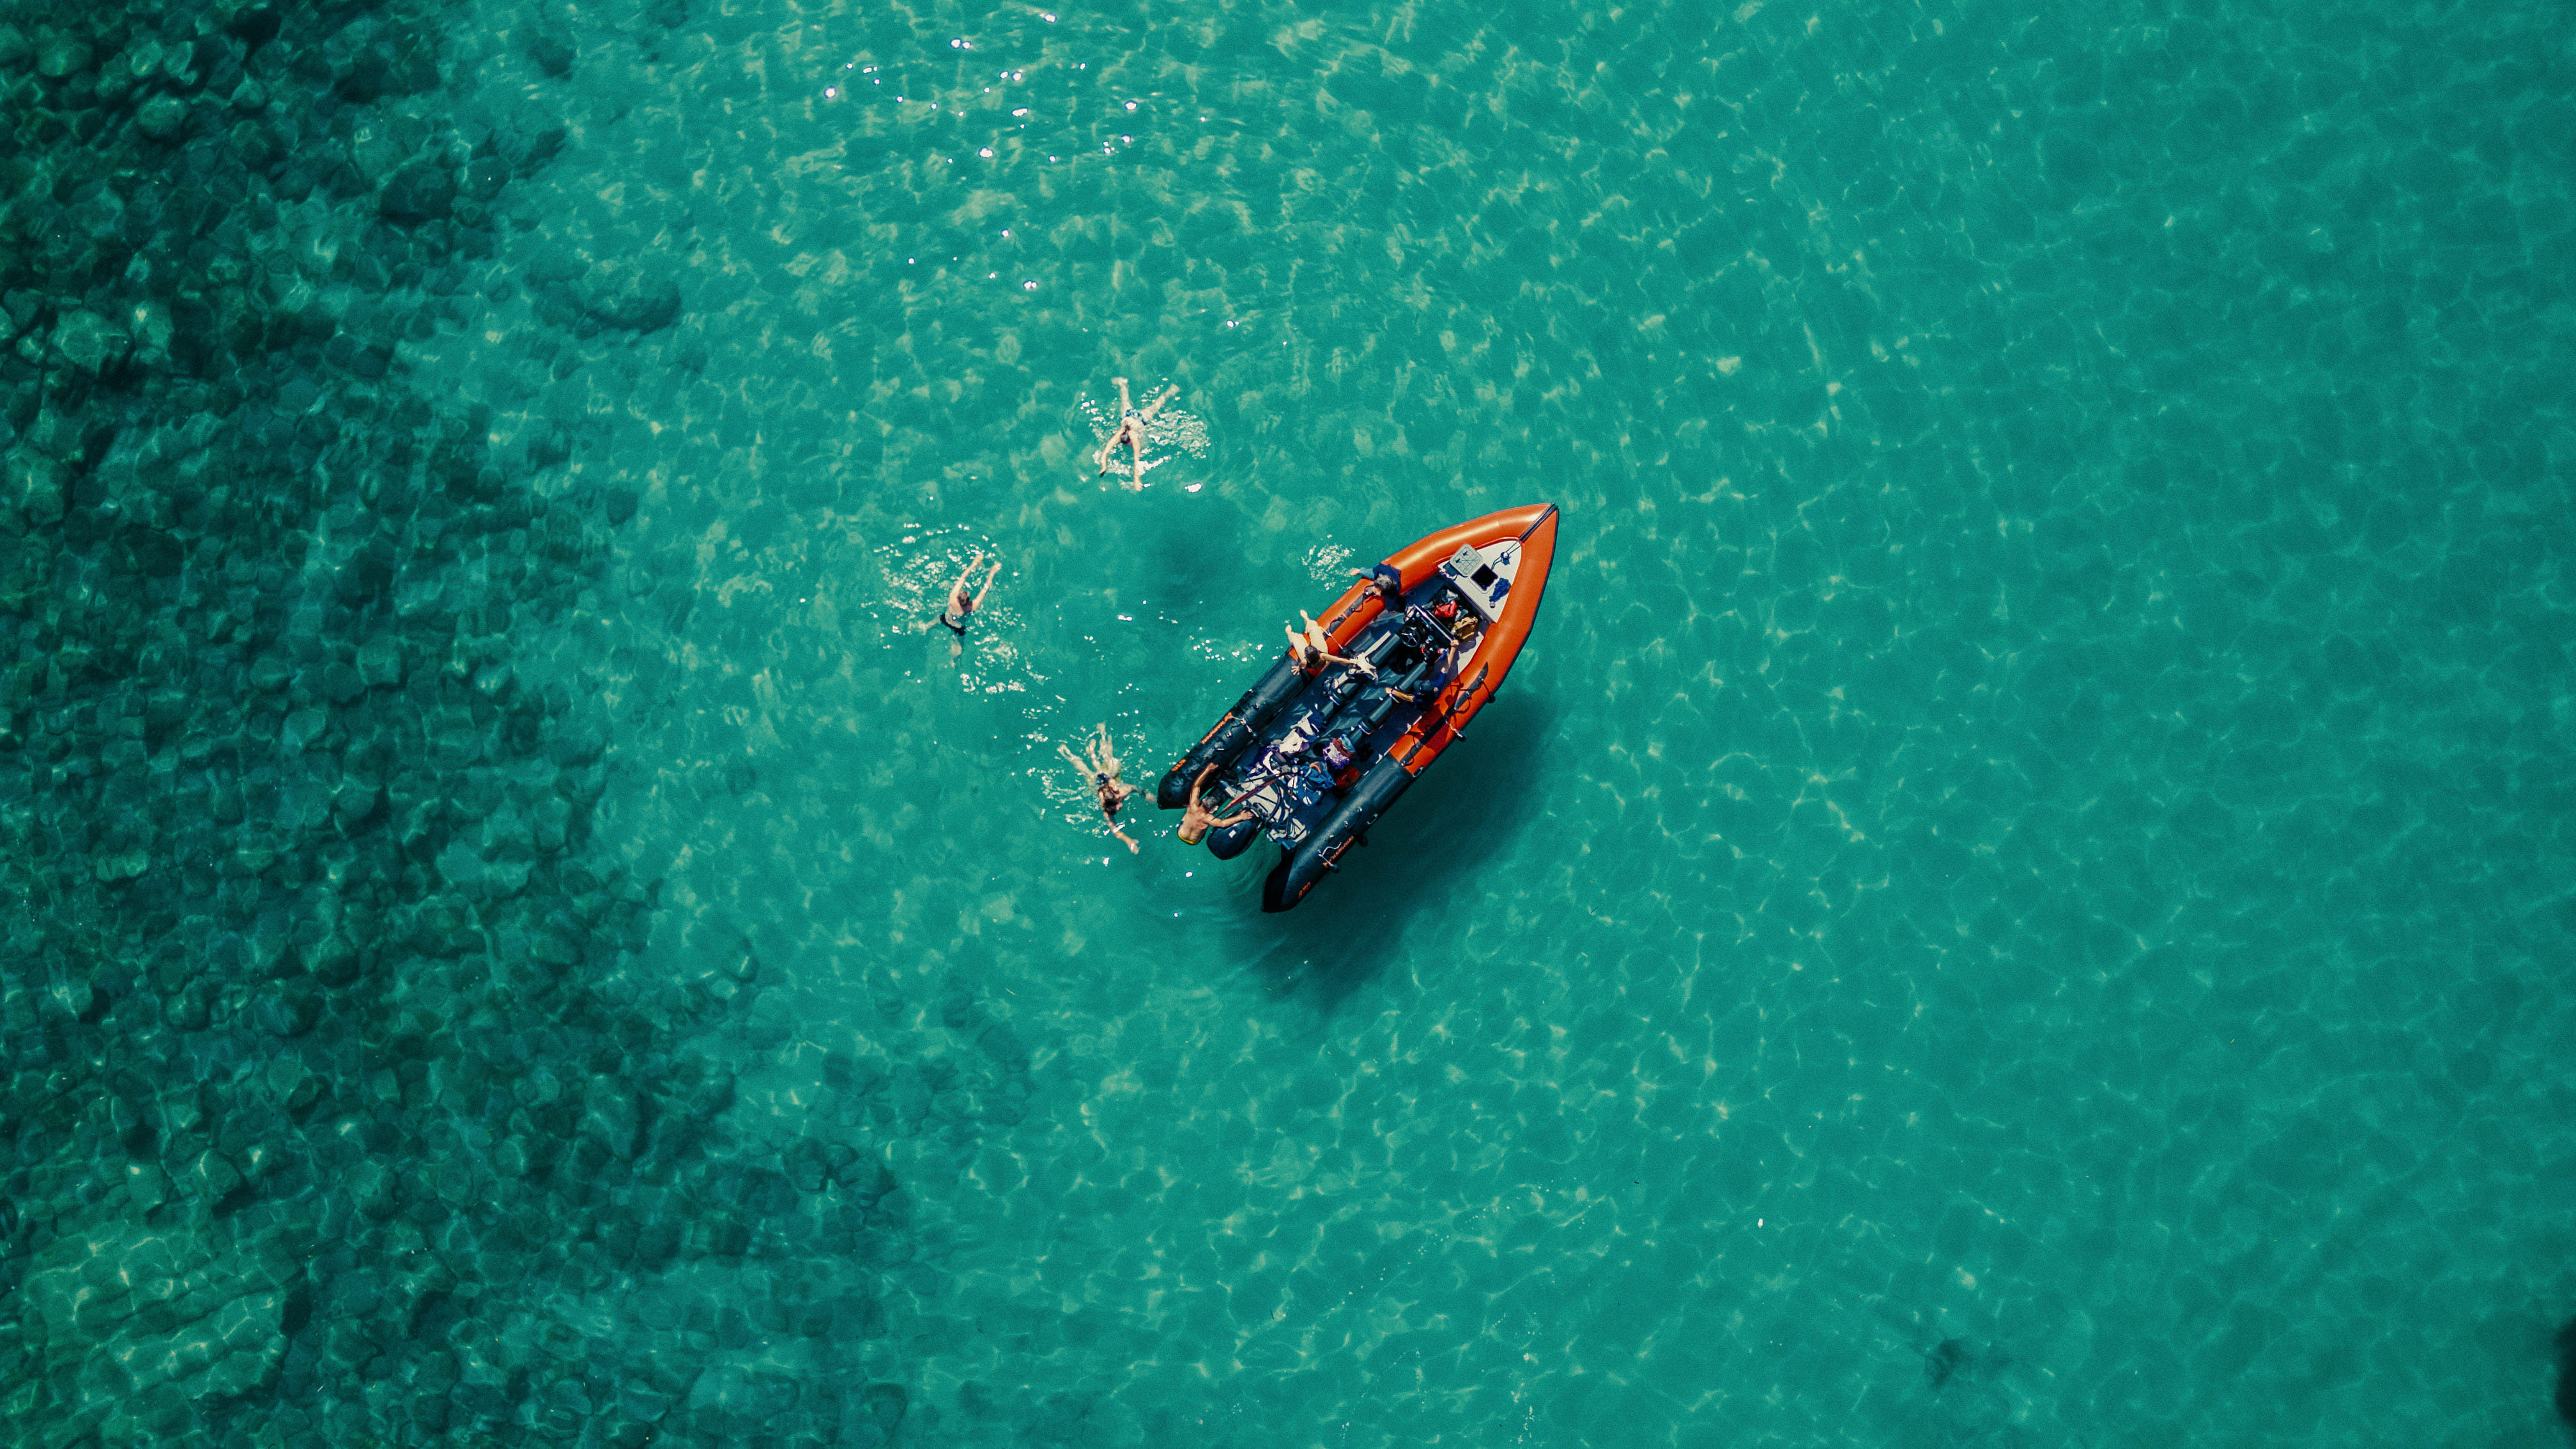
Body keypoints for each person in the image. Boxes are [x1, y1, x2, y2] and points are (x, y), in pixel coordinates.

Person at [1057, 721, 1141, 853]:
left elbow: (1134, 788)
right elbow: (1115, 831)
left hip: (1101, 782)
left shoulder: (1119, 795)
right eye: (1117, 807)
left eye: (1118, 805)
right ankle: (1073, 751)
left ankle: (1095, 738)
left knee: (1106, 763)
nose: (1121, 806)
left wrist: (1145, 794)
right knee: (1095, 767)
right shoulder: (1108, 808)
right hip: (1099, 784)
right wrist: (1128, 841)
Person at [1093, 376, 1181, 491]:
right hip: (1127, 415)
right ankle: (1123, 384)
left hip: (1141, 418)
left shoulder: (1134, 438)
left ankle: (1171, 391)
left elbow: (1136, 458)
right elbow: (1105, 452)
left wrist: (1136, 478)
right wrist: (1103, 467)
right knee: (1132, 402)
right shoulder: (1120, 435)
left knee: (1156, 406)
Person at [918, 550, 1003, 658]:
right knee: (958, 644)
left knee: (935, 621)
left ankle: (926, 627)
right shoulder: (971, 607)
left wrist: (974, 563)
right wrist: (992, 572)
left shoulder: (952, 597)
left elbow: (963, 577)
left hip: (946, 618)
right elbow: (985, 590)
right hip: (958, 628)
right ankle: (954, 660)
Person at [1176, 762, 1257, 846]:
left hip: (1181, 833)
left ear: (1203, 800)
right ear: (1212, 810)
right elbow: (1223, 824)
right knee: (1202, 827)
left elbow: (1196, 786)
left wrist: (1207, 770)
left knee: (1190, 815)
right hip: (1194, 840)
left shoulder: (1193, 805)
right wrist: (1240, 817)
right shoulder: (1208, 819)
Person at [1284, 610, 1377, 677]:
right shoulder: (1322, 656)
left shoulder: (1305, 661)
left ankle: (1290, 633)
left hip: (1312, 664)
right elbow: (1339, 660)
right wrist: (1352, 661)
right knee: (1314, 628)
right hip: (1322, 653)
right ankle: (1307, 620)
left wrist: (1298, 668)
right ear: (1316, 651)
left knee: (1295, 640)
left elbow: (1301, 665)